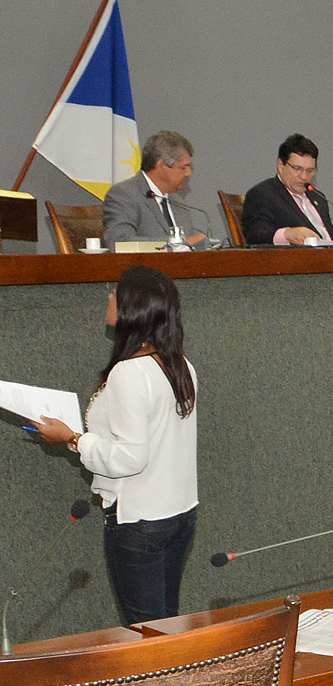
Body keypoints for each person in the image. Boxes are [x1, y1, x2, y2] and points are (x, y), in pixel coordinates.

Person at [30, 267, 197, 625]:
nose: (108, 296)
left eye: (115, 292)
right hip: (179, 514)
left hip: (139, 520)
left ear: (131, 308)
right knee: (166, 625)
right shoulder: (180, 364)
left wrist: (73, 439)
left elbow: (129, 458)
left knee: (145, 633)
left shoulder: (129, 373)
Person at [101, 130, 207, 247]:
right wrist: (177, 244)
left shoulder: (177, 201)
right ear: (161, 165)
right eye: (183, 167)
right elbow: (119, 242)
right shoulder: (124, 194)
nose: (189, 173)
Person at [240, 134, 333, 246]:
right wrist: (287, 235)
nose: (304, 176)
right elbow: (255, 235)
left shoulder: (318, 198)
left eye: (310, 170)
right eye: (297, 168)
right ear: (280, 165)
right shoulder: (263, 194)